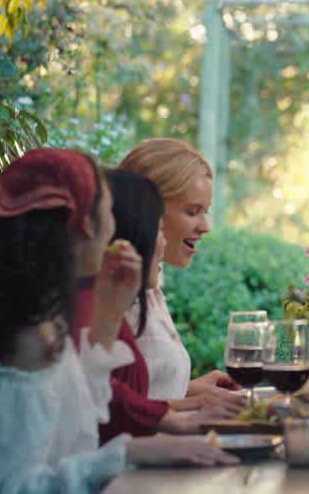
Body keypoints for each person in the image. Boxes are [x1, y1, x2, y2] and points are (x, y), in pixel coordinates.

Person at [0, 148, 235, 494]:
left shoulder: (33, 317)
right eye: (109, 212)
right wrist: (128, 452)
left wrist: (109, 314)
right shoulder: (25, 341)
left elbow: (76, 422)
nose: (119, 227)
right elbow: (12, 487)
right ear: (84, 225)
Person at [78, 168, 236, 442]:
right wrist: (177, 414)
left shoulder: (125, 298)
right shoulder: (96, 309)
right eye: (192, 211)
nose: (205, 226)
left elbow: (109, 397)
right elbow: (94, 414)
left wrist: (189, 396)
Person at [117, 138, 245, 412]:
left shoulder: (152, 280)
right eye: (192, 211)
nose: (205, 227)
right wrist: (196, 403)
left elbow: (137, 391)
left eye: (205, 212)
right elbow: (108, 410)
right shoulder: (116, 288)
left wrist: (189, 388)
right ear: (148, 209)